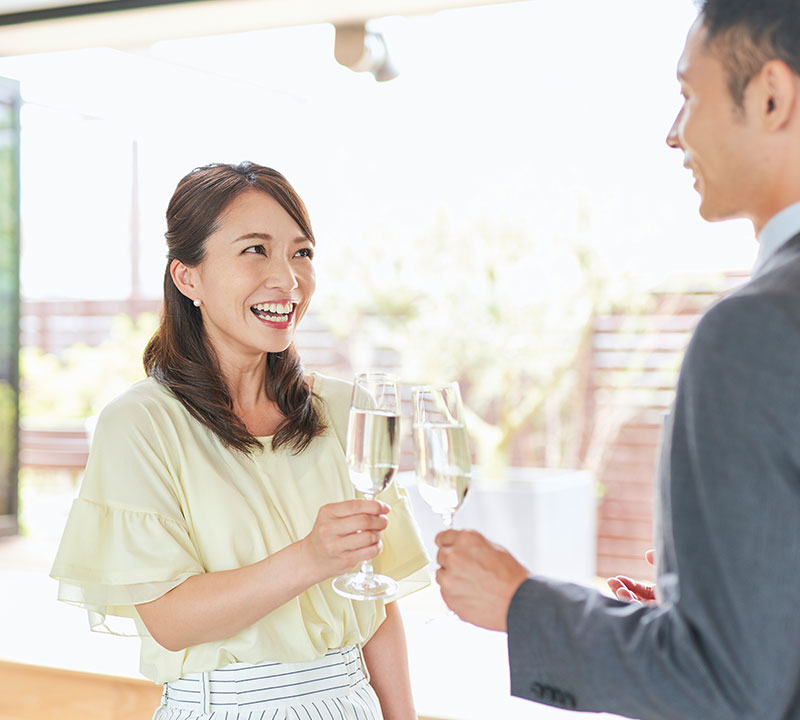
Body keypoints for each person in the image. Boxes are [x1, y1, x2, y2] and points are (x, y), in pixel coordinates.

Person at [435, 1, 800, 718]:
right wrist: (722, 604)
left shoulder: (754, 328)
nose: (674, 132)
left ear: (771, 97)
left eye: (689, 94)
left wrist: (519, 602)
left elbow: (726, 687)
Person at [50, 162, 429, 720]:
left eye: (301, 253)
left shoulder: (347, 408)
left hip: (353, 702)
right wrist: (310, 557)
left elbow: (376, 605)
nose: (289, 280)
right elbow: (170, 619)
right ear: (188, 278)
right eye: (256, 250)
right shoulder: (140, 424)